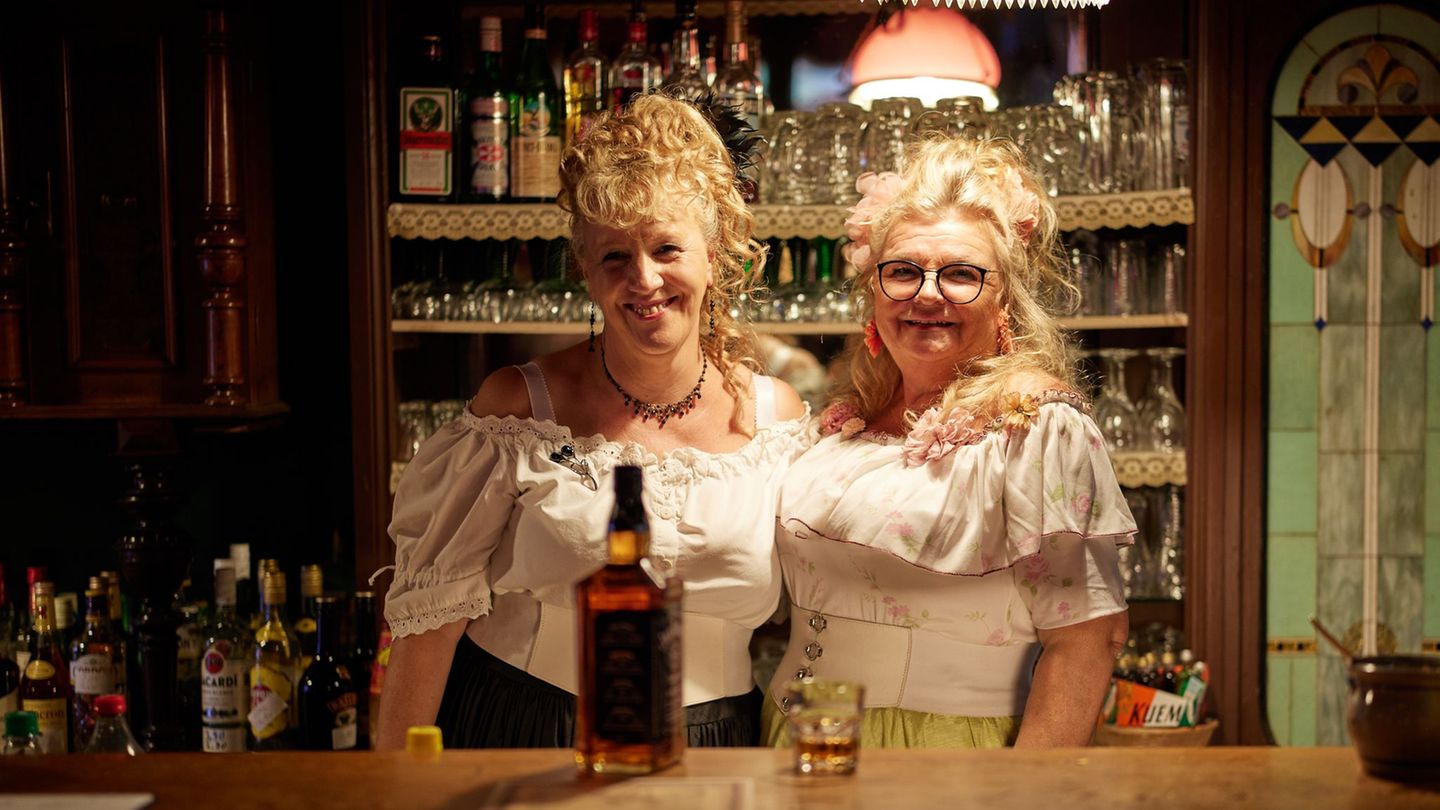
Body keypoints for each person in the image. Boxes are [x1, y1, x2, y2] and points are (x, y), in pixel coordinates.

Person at [376, 93, 809, 751]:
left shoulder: (779, 421)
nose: (644, 279)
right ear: (583, 269)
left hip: (719, 743)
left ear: (714, 256)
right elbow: (428, 619)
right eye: (614, 256)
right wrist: (391, 789)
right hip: (527, 727)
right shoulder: (517, 410)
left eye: (667, 248)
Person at [765, 136, 1134, 749]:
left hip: (941, 749)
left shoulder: (1037, 430)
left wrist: (1027, 795)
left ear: (1005, 300)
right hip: (798, 736)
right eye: (904, 271)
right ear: (873, 295)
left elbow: (1090, 639)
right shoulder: (845, 425)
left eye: (962, 274)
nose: (927, 293)